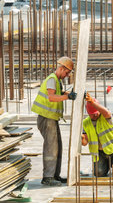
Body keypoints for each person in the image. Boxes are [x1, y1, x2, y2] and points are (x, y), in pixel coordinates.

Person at [31, 56, 77, 186]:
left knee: (58, 147)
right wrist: (67, 97)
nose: (67, 75)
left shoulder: (57, 81)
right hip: (46, 118)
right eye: (67, 72)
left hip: (51, 118)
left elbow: (59, 92)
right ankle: (48, 177)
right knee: (51, 147)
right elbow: (51, 97)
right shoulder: (52, 79)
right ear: (62, 68)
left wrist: (68, 94)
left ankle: (55, 175)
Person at [81, 93, 113, 177]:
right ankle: (106, 165)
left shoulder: (105, 117)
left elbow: (106, 112)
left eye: (96, 113)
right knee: (99, 173)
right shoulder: (86, 123)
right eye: (92, 114)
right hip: (100, 153)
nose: (95, 115)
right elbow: (85, 142)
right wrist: (82, 138)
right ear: (88, 113)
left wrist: (92, 103)